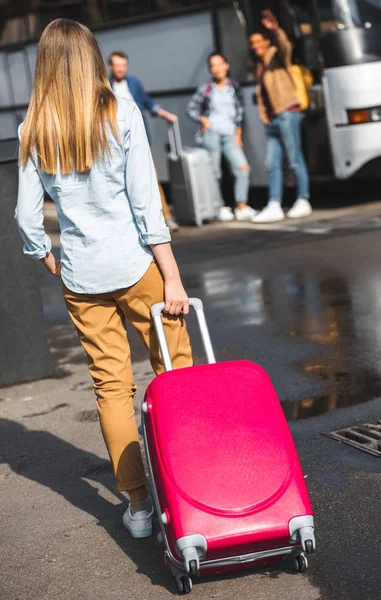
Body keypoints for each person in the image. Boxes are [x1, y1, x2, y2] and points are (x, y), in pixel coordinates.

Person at [15, 18, 193, 540]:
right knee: (174, 369)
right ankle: (188, 481)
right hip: (137, 267)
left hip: (82, 275)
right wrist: (173, 278)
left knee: (111, 386)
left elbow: (28, 218)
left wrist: (46, 256)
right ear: (93, 57)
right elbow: (145, 202)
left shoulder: (34, 128)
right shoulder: (120, 112)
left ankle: (138, 507)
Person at [249, 10, 312, 223]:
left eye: (258, 42)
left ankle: (303, 200)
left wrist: (275, 30)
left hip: (287, 114)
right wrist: (264, 116)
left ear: (267, 42)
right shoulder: (260, 65)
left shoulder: (277, 55)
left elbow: (285, 45)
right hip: (273, 120)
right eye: (252, 43)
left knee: (294, 159)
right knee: (271, 163)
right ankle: (274, 203)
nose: (255, 46)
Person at [108, 50, 180, 232]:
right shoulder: (105, 85)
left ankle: (167, 218)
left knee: (151, 178)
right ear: (111, 67)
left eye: (123, 65)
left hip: (137, 139)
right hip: (114, 142)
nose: (120, 69)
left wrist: (165, 114)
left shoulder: (134, 83)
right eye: (117, 66)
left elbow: (147, 102)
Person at [186, 53, 255, 222]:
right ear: (210, 69)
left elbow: (240, 111)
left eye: (220, 64)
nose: (217, 69)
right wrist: (202, 119)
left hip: (230, 132)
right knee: (215, 171)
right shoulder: (206, 88)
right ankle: (220, 206)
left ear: (226, 65)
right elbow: (191, 108)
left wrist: (238, 133)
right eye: (213, 66)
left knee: (242, 168)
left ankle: (241, 205)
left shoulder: (234, 87)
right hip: (212, 133)